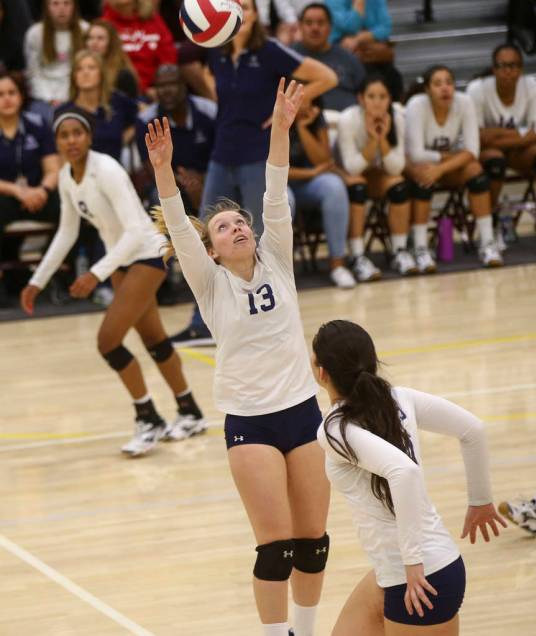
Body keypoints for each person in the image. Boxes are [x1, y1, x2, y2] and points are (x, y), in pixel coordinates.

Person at [147, 79, 330, 636]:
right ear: (213, 250)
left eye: (239, 221)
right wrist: (163, 169)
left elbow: (275, 192)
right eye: (224, 226)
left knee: (313, 545)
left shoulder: (277, 257)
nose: (237, 226)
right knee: (274, 550)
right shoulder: (210, 283)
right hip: (251, 421)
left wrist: (280, 128)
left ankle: (306, 629)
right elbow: (180, 224)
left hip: (303, 412)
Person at [19, 109, 205, 455]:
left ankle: (149, 419)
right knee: (154, 339)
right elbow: (67, 232)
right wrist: (37, 281)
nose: (71, 140)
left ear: (89, 137)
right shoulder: (65, 177)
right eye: (64, 135)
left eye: (77, 133)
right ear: (57, 142)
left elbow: (136, 231)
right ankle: (190, 411)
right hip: (121, 261)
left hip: (146, 254)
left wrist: (95, 273)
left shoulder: (107, 170)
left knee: (108, 341)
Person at [311, 319, 507, 635]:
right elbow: (473, 430)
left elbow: (405, 472)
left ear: (321, 372)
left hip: (418, 579)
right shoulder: (398, 397)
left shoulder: (336, 429)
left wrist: (413, 563)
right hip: (404, 571)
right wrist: (480, 500)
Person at [173, 0, 338, 347]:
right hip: (221, 154)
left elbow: (327, 76)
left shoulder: (269, 52)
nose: (241, 13)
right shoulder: (216, 52)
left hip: (256, 159)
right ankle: (203, 322)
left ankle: (273, 317)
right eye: (237, 6)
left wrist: (286, 110)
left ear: (253, 15)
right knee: (206, 241)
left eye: (246, 7)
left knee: (260, 244)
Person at [405, 65, 503, 270]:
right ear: (427, 90)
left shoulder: (464, 102)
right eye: (438, 84)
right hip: (415, 167)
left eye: (449, 82)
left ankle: (487, 242)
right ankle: (420, 247)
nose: (445, 88)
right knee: (424, 171)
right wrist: (448, 158)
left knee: (475, 171)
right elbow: (416, 154)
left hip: (444, 168)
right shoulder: (416, 104)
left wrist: (441, 167)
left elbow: (472, 151)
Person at [338, 74, 410, 279]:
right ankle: (357, 255)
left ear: (389, 99)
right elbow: (352, 168)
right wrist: (372, 141)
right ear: (361, 99)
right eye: (371, 96)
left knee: (399, 186)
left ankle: (400, 251)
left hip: (379, 174)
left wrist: (383, 139)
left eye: (382, 96)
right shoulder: (348, 119)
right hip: (346, 176)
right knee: (357, 186)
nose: (377, 102)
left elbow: (396, 168)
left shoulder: (397, 117)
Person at [0, 72, 60, 307]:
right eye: (1, 94)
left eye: (12, 93)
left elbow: (53, 169)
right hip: (6, 197)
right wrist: (17, 191)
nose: (6, 99)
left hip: (38, 195)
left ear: (21, 95)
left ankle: (52, 274)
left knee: (68, 209)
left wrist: (43, 190)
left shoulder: (37, 125)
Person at [288, 98, 355, 288]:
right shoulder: (271, 116)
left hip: (309, 183)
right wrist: (311, 172)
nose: (306, 104)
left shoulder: (317, 119)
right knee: (284, 200)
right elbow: (269, 167)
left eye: (308, 99)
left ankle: (337, 265)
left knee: (334, 187)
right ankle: (283, 272)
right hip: (278, 183)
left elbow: (323, 160)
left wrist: (302, 128)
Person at [136, 63, 216, 213]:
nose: (166, 91)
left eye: (172, 84)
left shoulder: (209, 111)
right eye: (160, 86)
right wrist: (182, 184)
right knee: (156, 197)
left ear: (184, 86)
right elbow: (151, 166)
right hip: (170, 180)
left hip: (209, 176)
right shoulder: (146, 120)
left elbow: (222, 155)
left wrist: (203, 180)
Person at [467, 43, 536, 208]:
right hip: (486, 151)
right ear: (494, 69)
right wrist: (520, 134)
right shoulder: (477, 89)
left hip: (519, 151)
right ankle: (491, 216)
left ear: (521, 69)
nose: (508, 71)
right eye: (502, 66)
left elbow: (535, 133)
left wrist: (496, 135)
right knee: (496, 162)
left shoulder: (533, 87)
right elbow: (478, 137)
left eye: (513, 65)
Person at [324, 0, 403, 102]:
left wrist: (359, 39)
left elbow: (386, 27)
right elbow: (350, 26)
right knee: (365, 77)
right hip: (341, 51)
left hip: (369, 50)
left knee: (394, 77)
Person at [56, 49, 138, 162]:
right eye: (79, 69)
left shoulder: (118, 101)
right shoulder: (64, 112)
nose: (85, 73)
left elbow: (141, 117)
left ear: (101, 73)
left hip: (115, 171)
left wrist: (124, 139)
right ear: (74, 76)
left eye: (91, 68)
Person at [101, 0, 177, 96]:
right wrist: (143, 90)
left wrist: (161, 87)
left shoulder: (152, 18)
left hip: (156, 89)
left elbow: (168, 52)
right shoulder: (105, 24)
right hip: (119, 90)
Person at [293, 2, 365, 112]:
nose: (315, 28)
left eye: (321, 23)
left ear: (330, 27)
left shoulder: (348, 58)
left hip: (345, 122)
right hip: (304, 122)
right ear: (300, 27)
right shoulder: (288, 56)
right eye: (309, 23)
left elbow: (364, 91)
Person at [24, 0, 88, 107]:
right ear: (47, 8)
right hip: (43, 95)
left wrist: (71, 96)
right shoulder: (35, 33)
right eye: (55, 4)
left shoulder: (85, 29)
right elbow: (33, 73)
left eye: (66, 3)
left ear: (74, 7)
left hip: (77, 92)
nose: (61, 8)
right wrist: (49, 98)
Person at [85, 18, 139, 100]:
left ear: (111, 43)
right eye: (90, 38)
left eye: (100, 38)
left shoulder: (123, 76)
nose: (94, 43)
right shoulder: (81, 70)